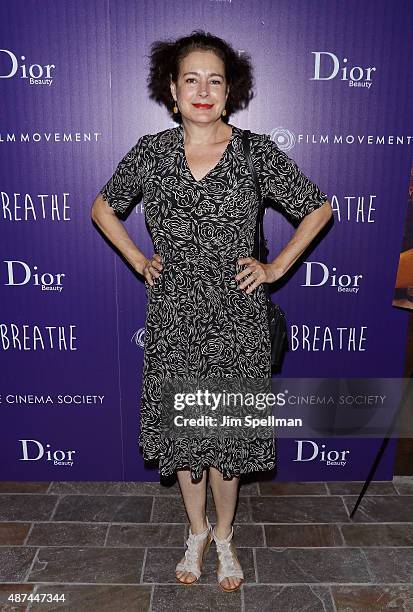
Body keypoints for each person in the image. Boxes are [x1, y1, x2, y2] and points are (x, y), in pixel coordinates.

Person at [91, 30, 333, 593]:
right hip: (174, 316)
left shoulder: (254, 153)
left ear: (229, 92)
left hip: (236, 320)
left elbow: (318, 208)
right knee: (184, 434)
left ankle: (224, 535)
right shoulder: (152, 153)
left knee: (226, 440)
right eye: (191, 79)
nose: (203, 90)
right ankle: (194, 530)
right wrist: (136, 259)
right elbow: (103, 207)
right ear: (173, 91)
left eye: (215, 80)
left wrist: (275, 269)